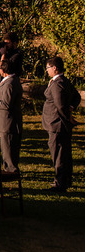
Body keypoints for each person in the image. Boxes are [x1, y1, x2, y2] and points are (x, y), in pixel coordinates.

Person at [42, 56, 80, 192]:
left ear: (55, 68)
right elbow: (77, 97)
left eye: (48, 68)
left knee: (58, 154)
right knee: (64, 153)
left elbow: (60, 105)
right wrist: (72, 107)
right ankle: (66, 180)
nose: (46, 71)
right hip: (59, 124)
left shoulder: (57, 84)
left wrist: (68, 116)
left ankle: (60, 183)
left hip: (57, 124)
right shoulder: (65, 81)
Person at [0, 56, 23, 173]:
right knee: (6, 148)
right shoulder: (11, 81)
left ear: (3, 70)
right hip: (6, 122)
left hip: (7, 122)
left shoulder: (10, 84)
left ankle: (11, 171)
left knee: (8, 149)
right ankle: (8, 168)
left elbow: (6, 104)